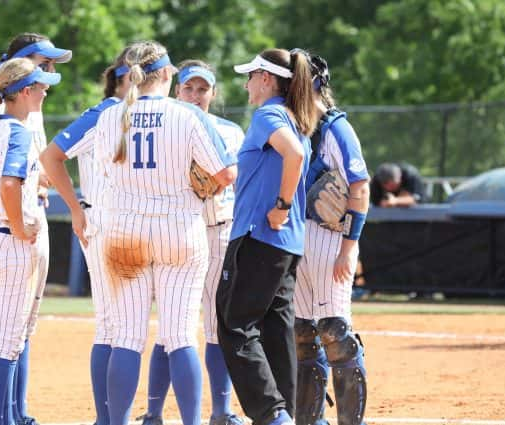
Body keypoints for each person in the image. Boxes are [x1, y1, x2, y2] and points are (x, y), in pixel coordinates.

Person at [92, 41, 237, 425]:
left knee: (126, 337)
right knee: (180, 336)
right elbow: (226, 174)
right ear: (169, 73)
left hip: (125, 230)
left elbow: (106, 171)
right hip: (179, 226)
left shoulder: (110, 116)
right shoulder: (186, 115)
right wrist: (196, 182)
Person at [0, 32, 72, 425]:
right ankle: (3, 418)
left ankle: (17, 415)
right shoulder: (1, 118)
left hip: (2, 229)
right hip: (10, 233)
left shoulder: (10, 118)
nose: (51, 72)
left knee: (19, 330)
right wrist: (13, 219)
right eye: (45, 65)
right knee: (6, 340)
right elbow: (1, 183)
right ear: (24, 72)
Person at [136, 60, 245, 425]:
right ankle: (153, 412)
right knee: (172, 328)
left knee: (216, 326)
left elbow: (237, 183)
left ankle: (221, 411)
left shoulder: (231, 132)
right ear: (176, 89)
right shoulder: (169, 124)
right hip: (179, 234)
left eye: (203, 89)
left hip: (220, 233)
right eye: (188, 88)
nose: (195, 96)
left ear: (214, 93)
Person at [216, 48, 318, 425]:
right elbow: (295, 155)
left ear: (266, 78)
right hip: (286, 245)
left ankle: (272, 414)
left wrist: (281, 204)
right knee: (275, 330)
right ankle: (285, 414)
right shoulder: (296, 118)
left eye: (250, 76)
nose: (245, 85)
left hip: (260, 236)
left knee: (233, 323)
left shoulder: (269, 114)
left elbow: (292, 157)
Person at [39, 44, 136, 425]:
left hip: (129, 224)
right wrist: (76, 209)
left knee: (116, 325)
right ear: (126, 76)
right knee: (115, 326)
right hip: (105, 221)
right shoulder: (106, 113)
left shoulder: (140, 114)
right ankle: (108, 418)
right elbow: (51, 156)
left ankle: (110, 417)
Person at [292, 52, 369, 425]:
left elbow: (361, 186)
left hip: (331, 241)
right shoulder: (293, 126)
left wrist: (349, 248)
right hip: (298, 241)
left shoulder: (337, 128)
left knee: (335, 333)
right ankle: (310, 420)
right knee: (302, 335)